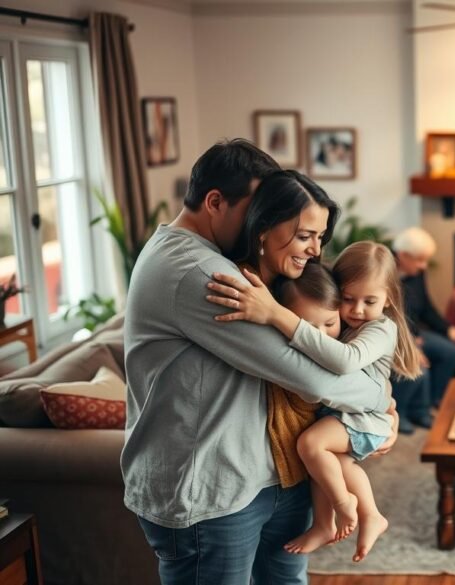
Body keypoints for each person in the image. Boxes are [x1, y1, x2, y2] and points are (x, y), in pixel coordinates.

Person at [123, 141, 397, 585]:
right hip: (209, 493)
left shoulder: (234, 264)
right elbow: (310, 379)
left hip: (265, 478)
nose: (264, 221)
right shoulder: (202, 274)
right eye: (259, 209)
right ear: (215, 202)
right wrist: (380, 402)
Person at [209, 242, 420, 561]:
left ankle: (347, 505)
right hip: (350, 415)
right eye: (348, 299)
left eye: (369, 301)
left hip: (363, 419)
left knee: (312, 445)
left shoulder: (381, 328)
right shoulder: (350, 323)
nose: (357, 310)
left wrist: (279, 316)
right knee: (330, 466)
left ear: (388, 299)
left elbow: (346, 360)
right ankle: (334, 522)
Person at [391, 227, 455, 432]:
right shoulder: (383, 272)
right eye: (420, 260)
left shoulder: (416, 274)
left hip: (415, 334)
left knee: (450, 351)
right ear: (403, 255)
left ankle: (428, 406)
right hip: (393, 337)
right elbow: (386, 316)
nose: (424, 266)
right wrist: (409, 344)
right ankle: (399, 412)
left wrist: (449, 329)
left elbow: (426, 308)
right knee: (416, 365)